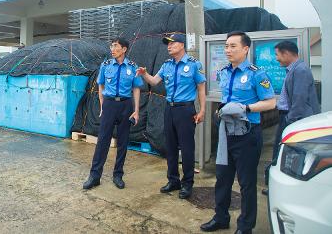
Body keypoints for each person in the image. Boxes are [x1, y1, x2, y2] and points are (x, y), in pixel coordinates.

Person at [200, 31, 276, 234]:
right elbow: (225, 98)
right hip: (226, 133)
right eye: (226, 46)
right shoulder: (224, 71)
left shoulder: (256, 73)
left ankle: (245, 226)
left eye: (233, 46)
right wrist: (221, 109)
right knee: (222, 179)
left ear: (245, 49)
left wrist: (247, 108)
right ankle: (221, 218)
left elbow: (271, 102)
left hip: (247, 135)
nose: (228, 50)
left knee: (246, 183)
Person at [136, 32, 206, 199]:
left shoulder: (194, 64)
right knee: (171, 147)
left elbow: (201, 87)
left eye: (172, 43)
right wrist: (145, 73)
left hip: (186, 110)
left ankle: (187, 183)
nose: (169, 46)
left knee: (187, 148)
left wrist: (202, 110)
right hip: (169, 109)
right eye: (168, 43)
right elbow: (154, 81)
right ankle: (173, 180)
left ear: (182, 45)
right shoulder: (167, 65)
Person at [83, 37, 143, 190]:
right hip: (109, 104)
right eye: (111, 46)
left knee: (123, 141)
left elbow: (136, 88)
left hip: (126, 105)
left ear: (124, 49)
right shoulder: (106, 65)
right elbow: (101, 86)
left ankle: (118, 175)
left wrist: (136, 110)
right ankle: (95, 176)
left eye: (115, 46)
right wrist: (103, 106)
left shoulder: (132, 66)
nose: (112, 49)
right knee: (103, 140)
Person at [272, 40, 320, 159]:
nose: (277, 58)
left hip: (293, 119)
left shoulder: (300, 70)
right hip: (288, 116)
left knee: (289, 153)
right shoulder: (295, 69)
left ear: (286, 53)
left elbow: (299, 99)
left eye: (277, 55)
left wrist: (290, 120)